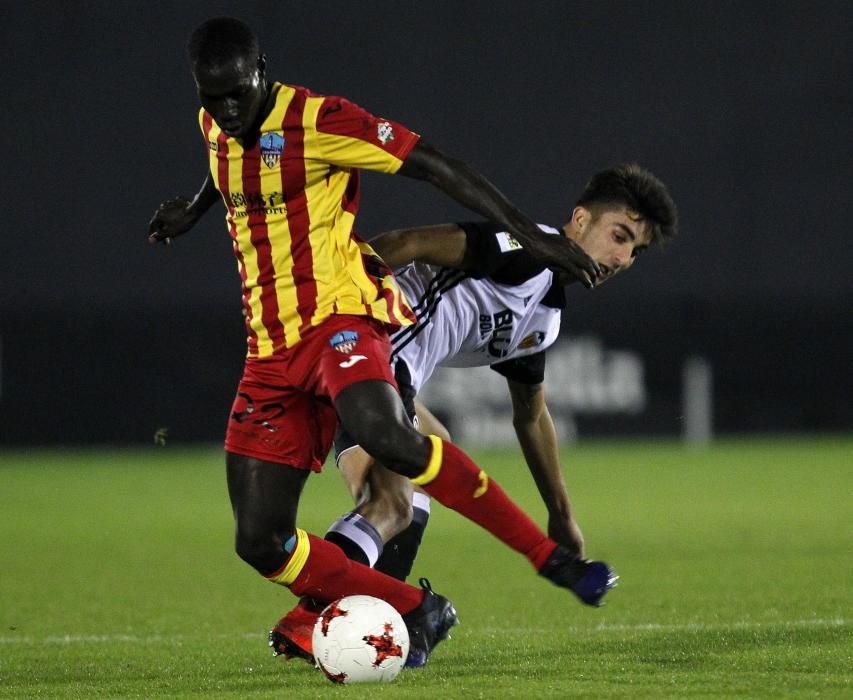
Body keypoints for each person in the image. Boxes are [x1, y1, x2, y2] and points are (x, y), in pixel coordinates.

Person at [148, 17, 610, 669]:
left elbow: (435, 166)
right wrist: (194, 209)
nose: (225, 111)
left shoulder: (321, 120)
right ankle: (418, 608)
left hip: (343, 315)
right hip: (269, 348)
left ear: (263, 73)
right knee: (261, 542)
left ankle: (545, 557)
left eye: (236, 95)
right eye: (210, 96)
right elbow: (229, 167)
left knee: (389, 436)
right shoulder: (216, 125)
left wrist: (528, 237)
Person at [272, 163, 677, 661]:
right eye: (619, 235)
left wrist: (561, 516)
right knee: (395, 502)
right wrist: (332, 306)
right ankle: (316, 617)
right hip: (364, 352)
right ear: (579, 219)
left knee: (407, 485)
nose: (621, 257)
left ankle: (365, 619)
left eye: (634, 251)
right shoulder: (523, 249)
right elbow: (407, 241)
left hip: (377, 368)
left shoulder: (543, 317)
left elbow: (531, 416)